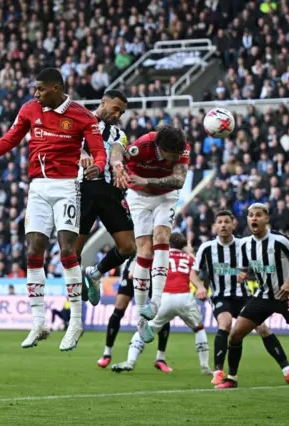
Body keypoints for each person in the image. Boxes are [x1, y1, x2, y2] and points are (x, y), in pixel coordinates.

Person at [0, 68, 107, 351]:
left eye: (40, 89)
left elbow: (99, 150)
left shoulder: (82, 116)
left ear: (57, 88)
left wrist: (98, 166)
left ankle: (76, 322)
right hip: (37, 187)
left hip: (66, 187)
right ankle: (39, 322)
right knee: (34, 250)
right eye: (35, 89)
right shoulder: (29, 110)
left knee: (67, 250)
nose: (35, 93)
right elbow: (7, 141)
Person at [216, 203, 289, 394]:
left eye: (258, 215)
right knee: (236, 335)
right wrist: (242, 274)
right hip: (263, 296)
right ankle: (232, 378)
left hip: (287, 295)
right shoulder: (245, 244)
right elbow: (243, 267)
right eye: (251, 215)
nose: (254, 218)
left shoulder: (281, 240)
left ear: (266, 219)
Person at [191, 210, 289, 385]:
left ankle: (287, 370)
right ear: (215, 225)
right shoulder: (207, 248)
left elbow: (257, 264)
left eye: (226, 222)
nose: (223, 225)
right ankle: (218, 371)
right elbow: (193, 272)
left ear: (233, 224)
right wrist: (200, 286)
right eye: (219, 222)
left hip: (244, 295)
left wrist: (246, 273)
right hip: (221, 296)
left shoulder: (244, 244)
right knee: (226, 323)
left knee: (263, 329)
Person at [112, 125, 190, 323]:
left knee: (162, 237)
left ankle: (155, 300)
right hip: (138, 197)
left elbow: (179, 180)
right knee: (145, 251)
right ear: (161, 149)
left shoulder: (182, 148)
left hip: (165, 197)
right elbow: (118, 148)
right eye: (174, 154)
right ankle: (141, 316)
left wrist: (145, 179)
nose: (178, 157)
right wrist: (117, 165)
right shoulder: (143, 145)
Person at [112, 233, 211, 375]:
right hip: (184, 297)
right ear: (183, 245)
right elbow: (195, 271)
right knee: (199, 329)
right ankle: (205, 366)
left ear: (169, 243)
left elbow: (134, 273)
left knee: (144, 328)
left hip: (165, 298)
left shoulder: (160, 256)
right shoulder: (188, 258)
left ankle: (130, 361)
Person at [76, 90, 136, 305]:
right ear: (103, 102)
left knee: (129, 247)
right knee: (72, 252)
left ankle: (95, 273)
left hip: (111, 191)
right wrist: (81, 154)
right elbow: (68, 145)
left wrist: (118, 166)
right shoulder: (79, 120)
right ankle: (74, 311)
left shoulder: (118, 133)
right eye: (115, 109)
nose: (118, 114)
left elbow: (117, 152)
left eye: (122, 112)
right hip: (82, 190)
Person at [96, 256, 171, 369]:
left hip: (153, 271)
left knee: (162, 313)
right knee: (118, 311)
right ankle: (107, 354)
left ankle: (160, 358)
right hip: (134, 268)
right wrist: (134, 268)